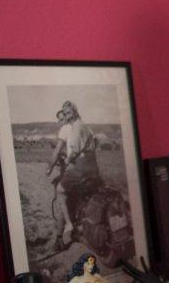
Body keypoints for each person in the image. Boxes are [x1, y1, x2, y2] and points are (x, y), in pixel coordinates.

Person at [47, 101, 102, 249]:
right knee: (76, 197)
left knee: (62, 196)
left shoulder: (66, 129)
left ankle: (60, 237)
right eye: (60, 117)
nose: (61, 120)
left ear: (70, 115)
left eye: (64, 116)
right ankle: (77, 230)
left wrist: (51, 166)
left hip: (77, 166)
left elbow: (63, 151)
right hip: (92, 166)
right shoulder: (83, 126)